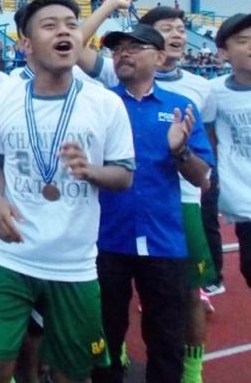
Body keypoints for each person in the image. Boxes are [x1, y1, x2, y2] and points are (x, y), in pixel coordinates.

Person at [0, 0, 135, 383]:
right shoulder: (4, 98)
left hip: (74, 263)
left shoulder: (105, 104)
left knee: (70, 372)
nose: (64, 31)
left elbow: (124, 175)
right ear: (25, 44)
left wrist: (91, 172)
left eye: (70, 24)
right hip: (10, 255)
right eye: (50, 25)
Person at [94, 24, 214, 383]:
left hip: (163, 240)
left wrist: (181, 150)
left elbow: (200, 175)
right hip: (106, 239)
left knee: (165, 339)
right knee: (106, 335)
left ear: (159, 57)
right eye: (117, 50)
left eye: (134, 47)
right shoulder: (100, 104)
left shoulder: (181, 108)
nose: (123, 54)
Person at [210, 13, 251, 289]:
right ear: (224, 52)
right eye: (243, 41)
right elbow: (211, 140)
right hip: (244, 205)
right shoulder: (212, 93)